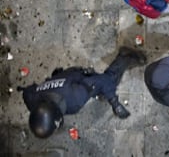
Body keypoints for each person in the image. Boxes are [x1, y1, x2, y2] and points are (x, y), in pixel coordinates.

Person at [18, 48, 146, 138]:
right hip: (64, 78)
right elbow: (27, 91)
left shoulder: (74, 99)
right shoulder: (31, 99)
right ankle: (99, 93)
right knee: (100, 91)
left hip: (77, 77)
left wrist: (115, 102)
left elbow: (102, 81)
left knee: (110, 81)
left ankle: (124, 56)